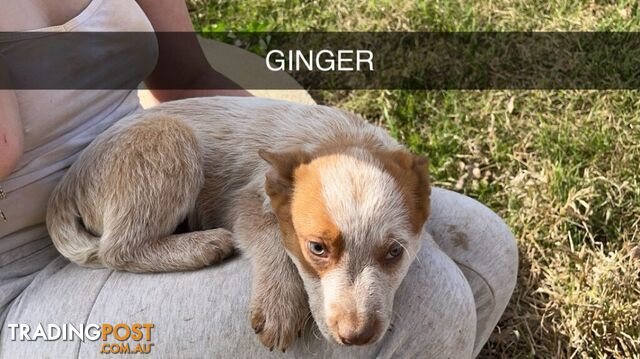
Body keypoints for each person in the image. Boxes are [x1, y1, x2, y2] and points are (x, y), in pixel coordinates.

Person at [0, 1, 518, 357]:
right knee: (429, 306)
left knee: (484, 250)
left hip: (145, 181)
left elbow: (191, 79)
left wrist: (309, 173)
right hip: (25, 281)